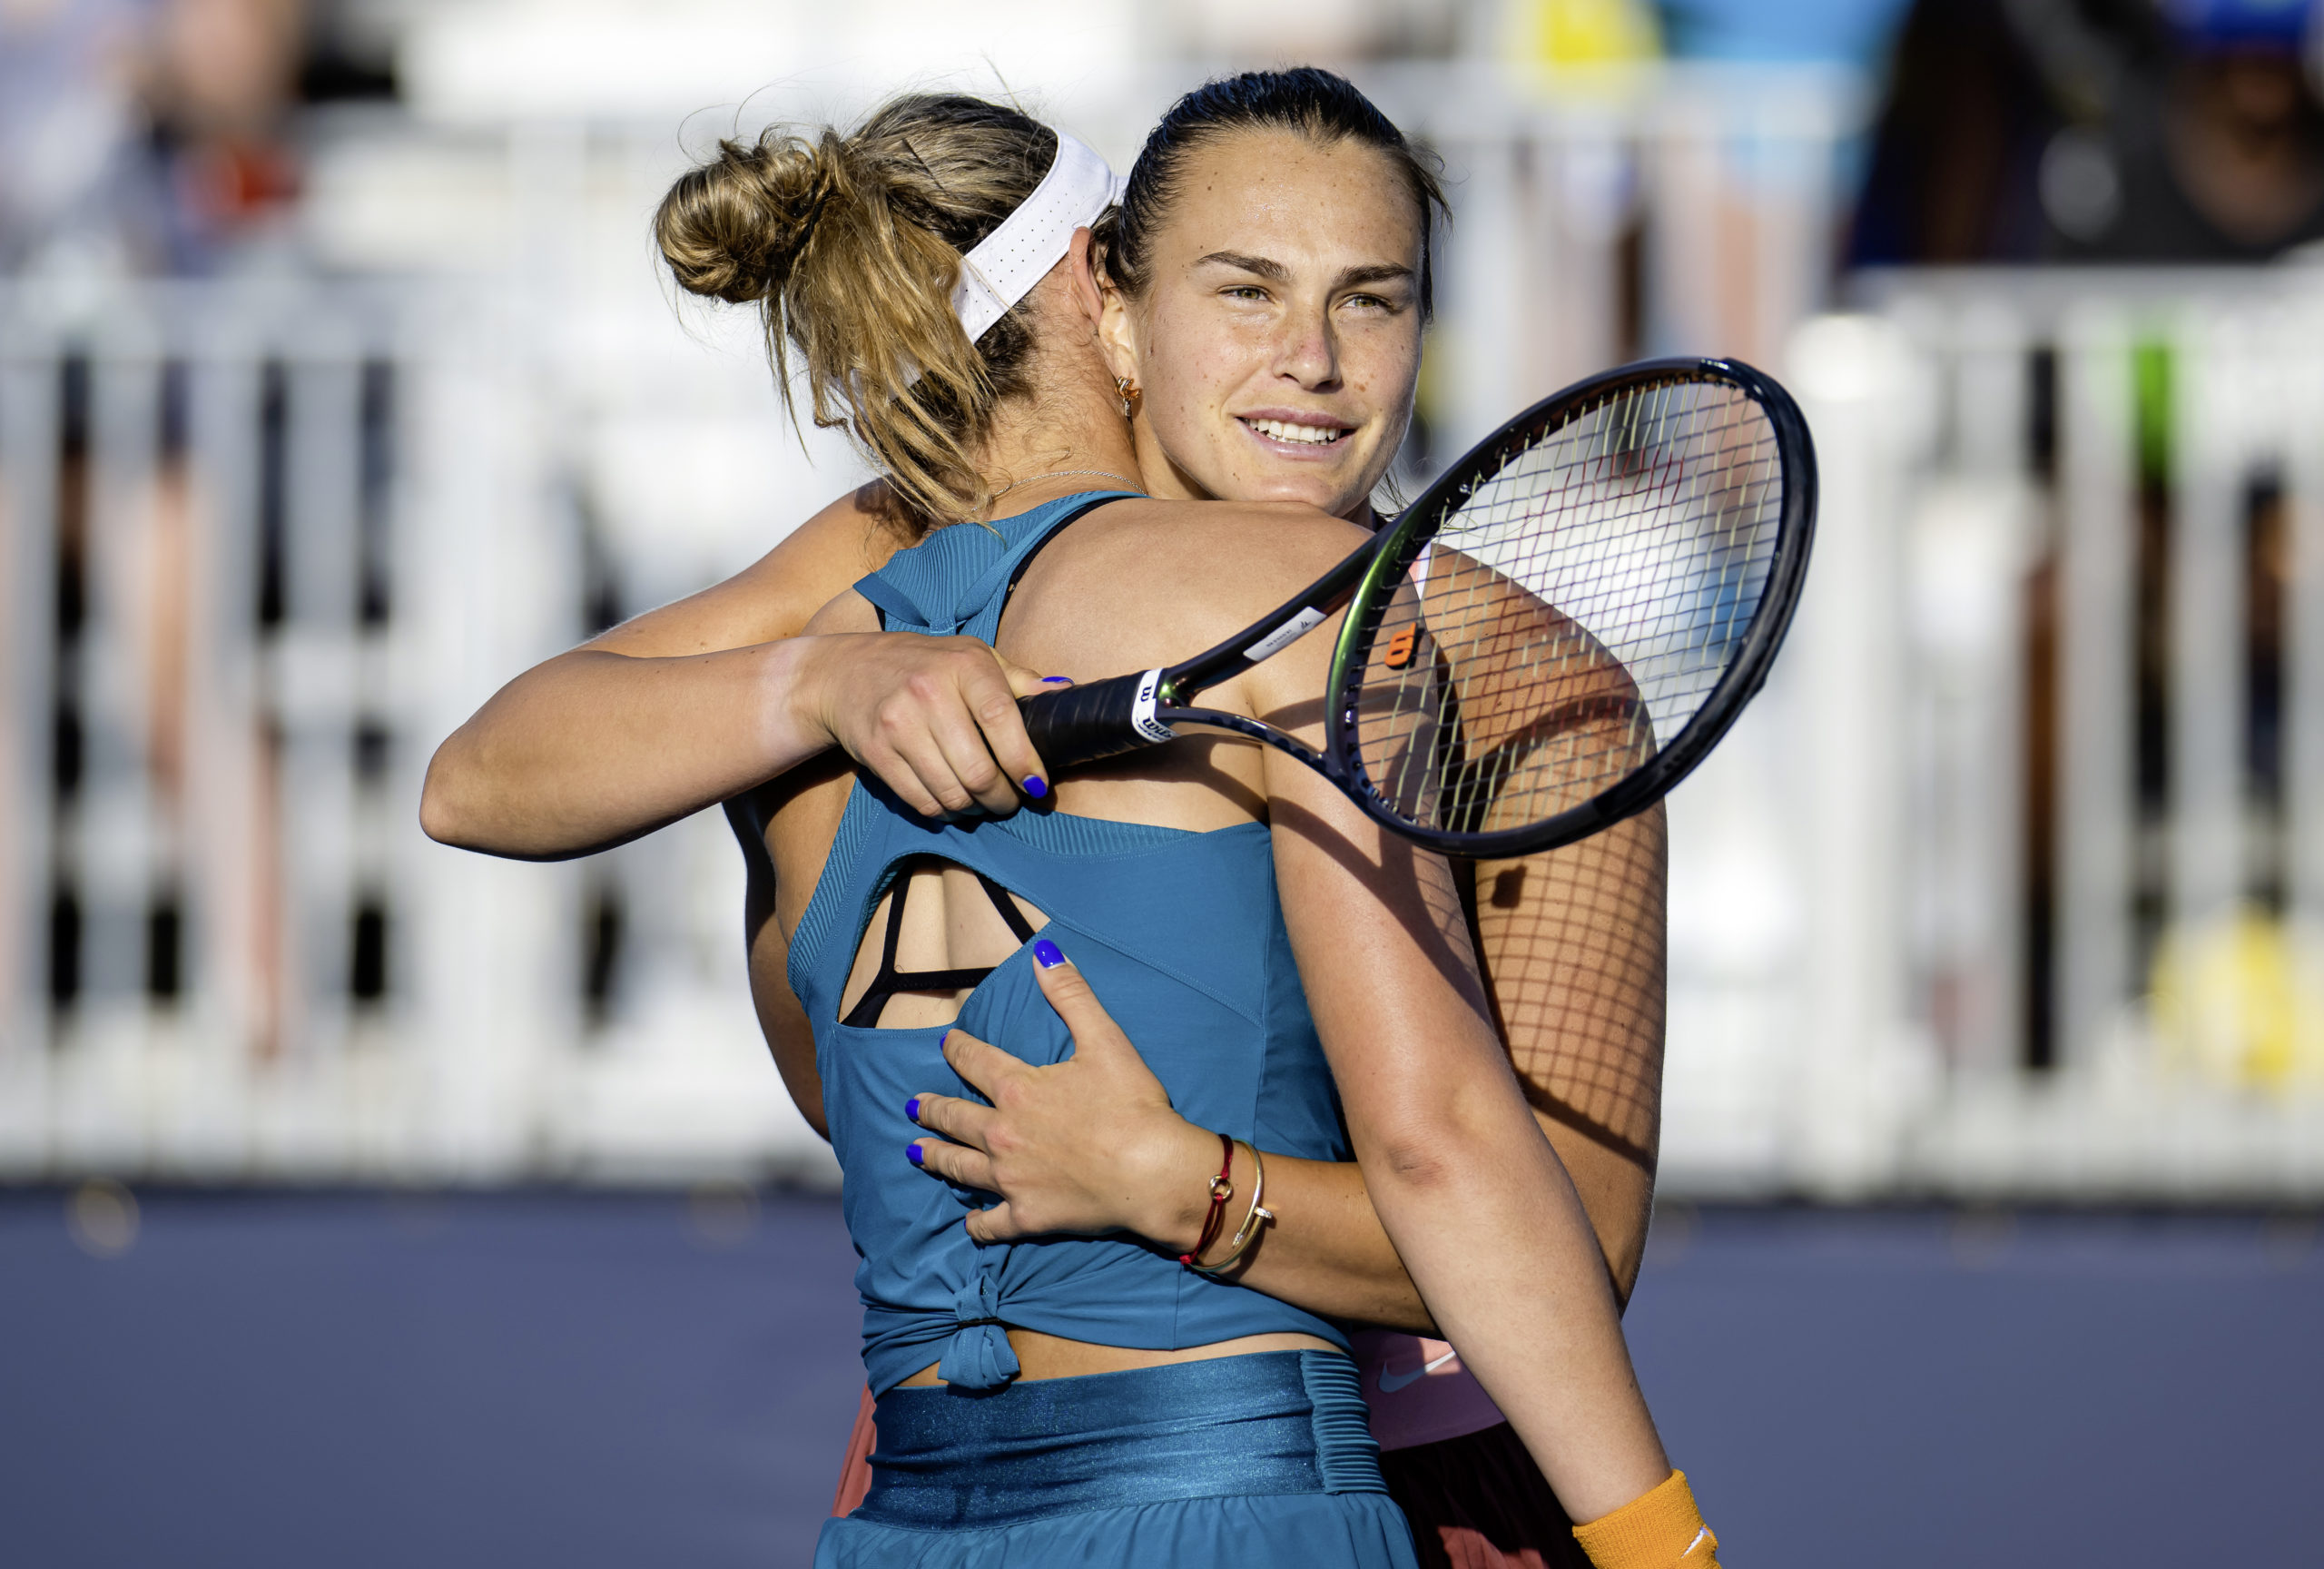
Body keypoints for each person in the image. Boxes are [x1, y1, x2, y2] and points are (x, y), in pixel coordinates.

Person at [423, 75, 1705, 1569]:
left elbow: (1573, 1243)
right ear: (1113, 309)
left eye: (1374, 300)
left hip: (1433, 1482)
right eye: (1244, 291)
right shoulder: (884, 571)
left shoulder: (1530, 678)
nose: (1311, 362)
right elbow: (483, 777)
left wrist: (1185, 1191)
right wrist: (820, 684)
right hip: (1058, 1479)